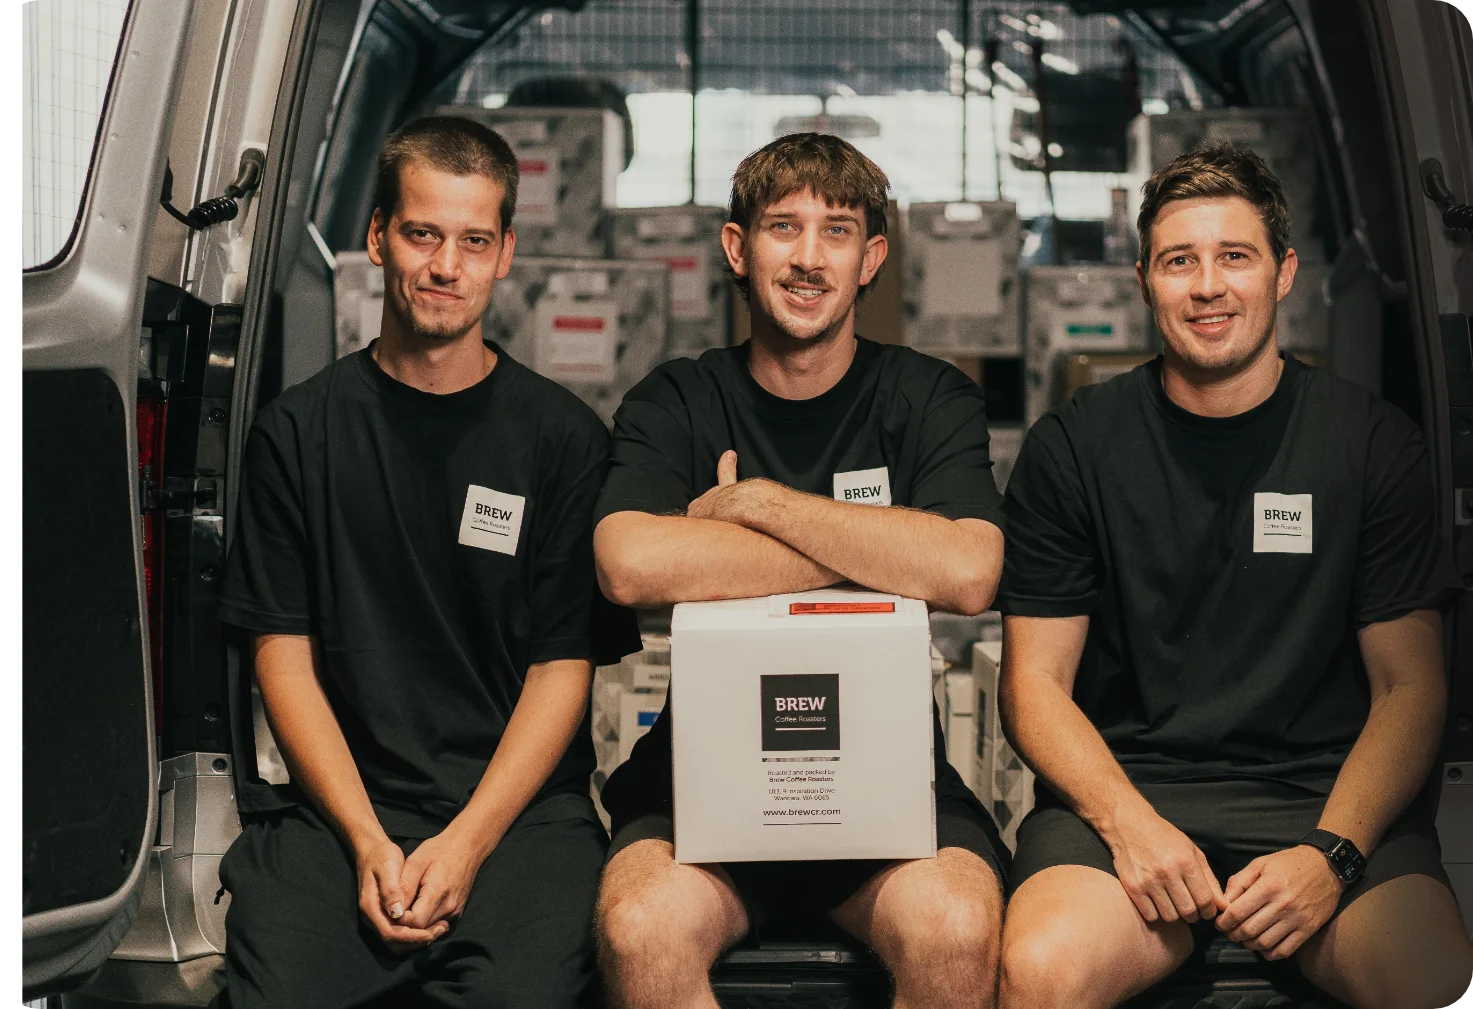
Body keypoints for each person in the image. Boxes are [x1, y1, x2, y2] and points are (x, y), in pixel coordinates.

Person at [995, 141, 1473, 1009]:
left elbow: (1411, 687)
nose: (1207, 285)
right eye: (1179, 260)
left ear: (1283, 273)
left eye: (1234, 257)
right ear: (1144, 279)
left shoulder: (1370, 446)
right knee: (1039, 970)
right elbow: (1031, 683)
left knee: (1431, 977)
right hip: (1125, 799)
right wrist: (1131, 828)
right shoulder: (1072, 448)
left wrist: (1331, 855)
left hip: (1326, 801)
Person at [217, 116, 639, 1009]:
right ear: (377, 237)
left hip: (519, 814)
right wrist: (368, 839)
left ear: (504, 253)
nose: (447, 266)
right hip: (341, 808)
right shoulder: (298, 434)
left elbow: (564, 667)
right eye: (422, 234)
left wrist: (468, 842)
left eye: (473, 240)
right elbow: (280, 657)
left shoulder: (562, 440)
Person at [591, 133, 1010, 1009]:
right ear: (738, 248)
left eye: (838, 230)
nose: (809, 257)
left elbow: (969, 569)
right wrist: (882, 553)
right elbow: (629, 562)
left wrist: (754, 505)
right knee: (640, 926)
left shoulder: (929, 397)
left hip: (895, 786)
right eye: (784, 227)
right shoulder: (677, 398)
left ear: (872, 260)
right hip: (695, 789)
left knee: (959, 930)